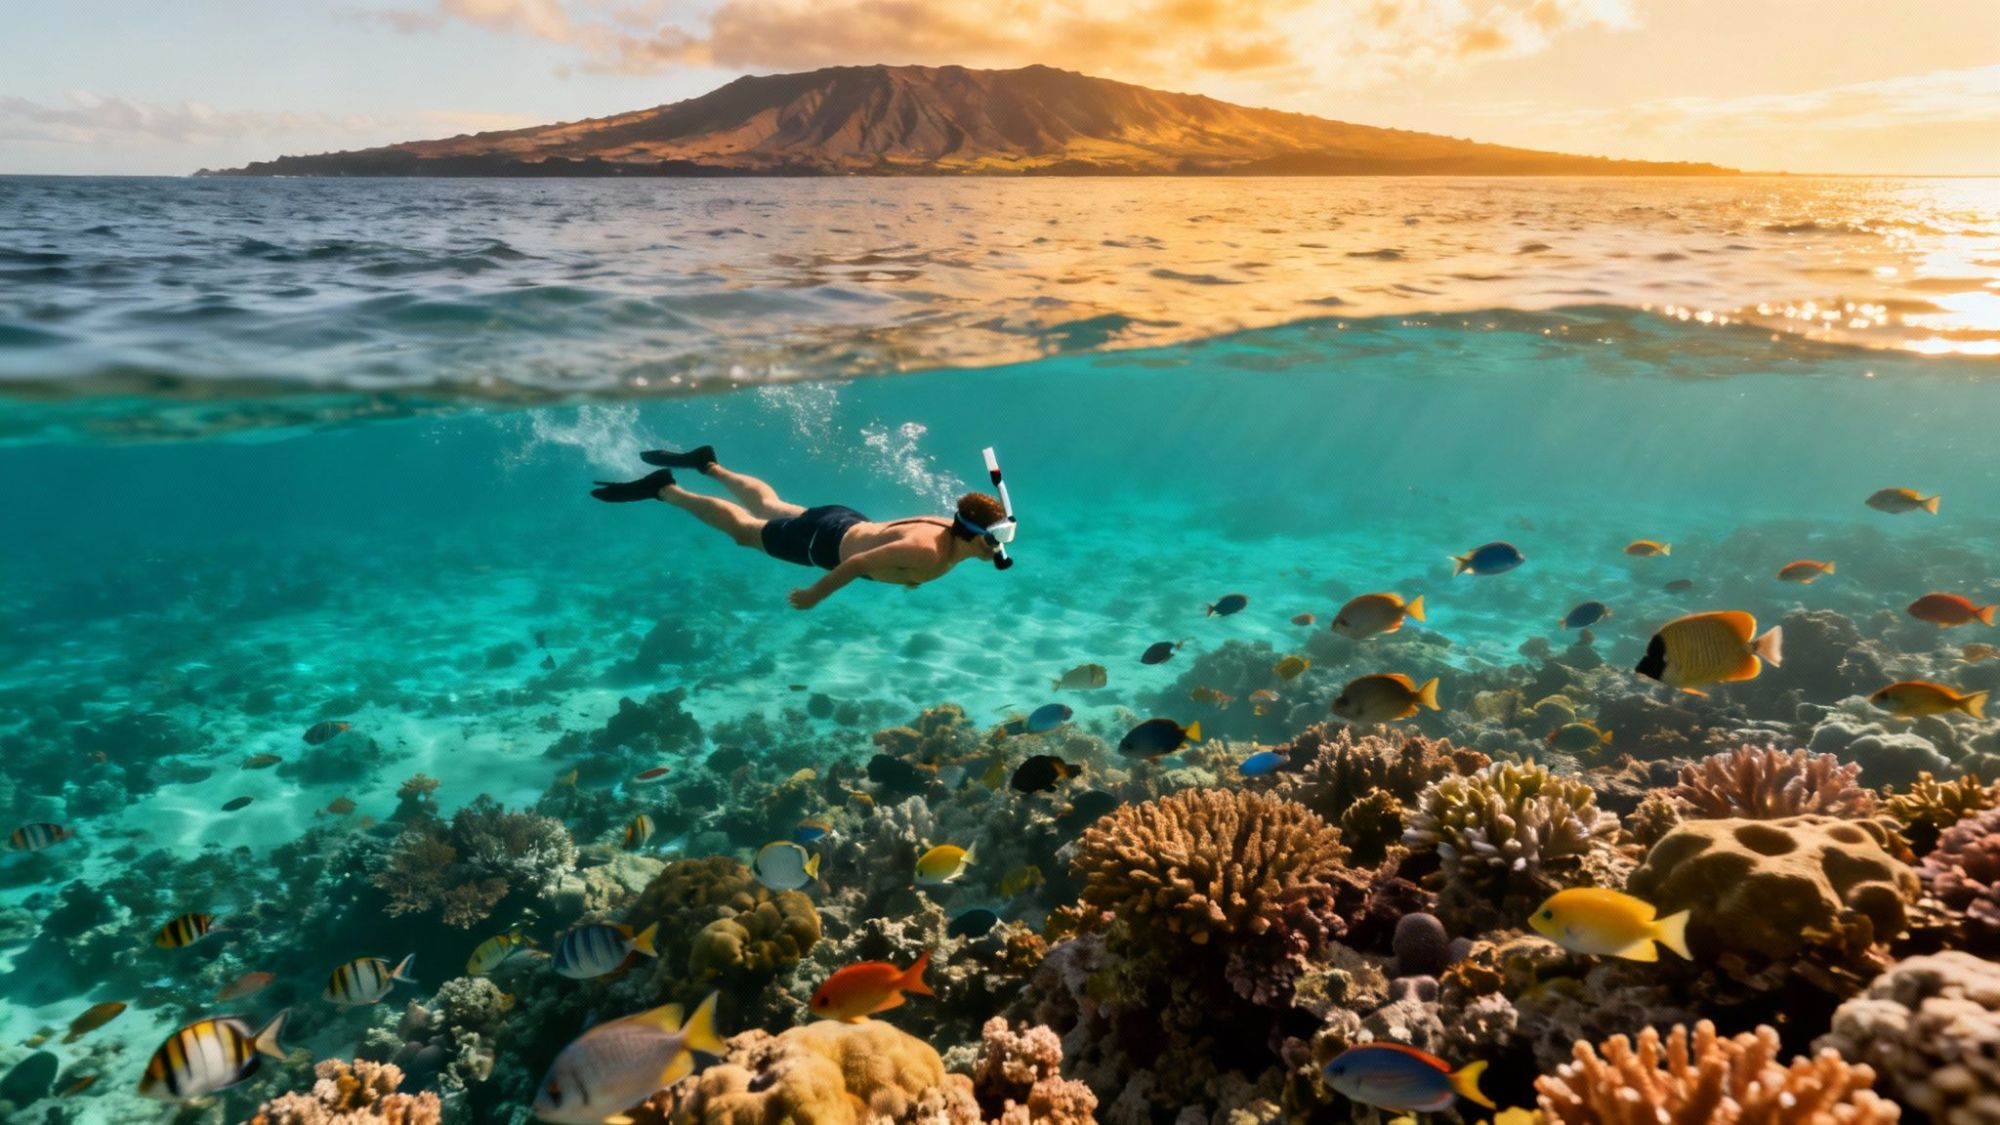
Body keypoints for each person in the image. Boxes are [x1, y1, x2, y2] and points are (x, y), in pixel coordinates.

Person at [591, 446, 1007, 609]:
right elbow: (859, 563)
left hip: (843, 518)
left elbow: (886, 551)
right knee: (746, 533)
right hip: (823, 546)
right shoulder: (929, 553)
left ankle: (708, 463)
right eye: (994, 539)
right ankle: (665, 489)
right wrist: (815, 594)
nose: (999, 548)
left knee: (771, 505)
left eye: (1005, 536)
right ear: (970, 533)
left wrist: (905, 577)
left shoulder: (946, 534)